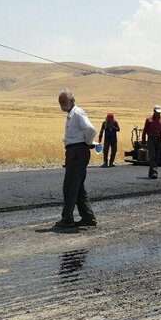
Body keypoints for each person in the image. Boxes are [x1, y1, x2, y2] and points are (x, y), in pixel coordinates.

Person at [56, 88, 98, 228]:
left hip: (77, 152)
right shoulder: (72, 114)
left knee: (70, 186)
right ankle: (88, 217)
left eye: (64, 101)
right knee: (78, 187)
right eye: (60, 102)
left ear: (72, 100)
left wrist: (88, 142)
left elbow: (90, 129)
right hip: (76, 152)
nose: (62, 104)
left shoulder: (77, 113)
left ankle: (67, 219)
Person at [142, 104, 161, 179]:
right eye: (157, 112)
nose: (159, 114)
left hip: (159, 140)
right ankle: (154, 172)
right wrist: (143, 142)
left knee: (156, 157)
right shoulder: (149, 120)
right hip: (151, 139)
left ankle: (151, 173)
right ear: (154, 112)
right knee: (152, 155)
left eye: (160, 112)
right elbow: (144, 131)